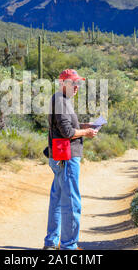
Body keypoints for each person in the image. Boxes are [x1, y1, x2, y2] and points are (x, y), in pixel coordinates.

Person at [43, 69, 98, 250]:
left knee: (57, 199)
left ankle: (52, 243)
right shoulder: (61, 101)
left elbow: (65, 126)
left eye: (78, 83)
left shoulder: (60, 99)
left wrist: (84, 126)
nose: (76, 87)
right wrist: (87, 133)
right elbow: (67, 132)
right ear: (62, 84)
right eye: (73, 83)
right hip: (66, 157)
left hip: (58, 156)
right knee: (72, 201)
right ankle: (69, 246)